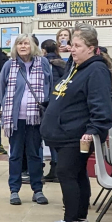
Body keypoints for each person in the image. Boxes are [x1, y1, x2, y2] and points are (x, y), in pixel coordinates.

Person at [41, 24, 112, 222]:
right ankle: (80, 217)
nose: (72, 49)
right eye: (71, 45)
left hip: (76, 134)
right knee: (77, 173)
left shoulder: (96, 70)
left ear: (91, 48)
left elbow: (101, 104)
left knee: (66, 173)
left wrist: (93, 130)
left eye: (77, 45)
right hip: (64, 132)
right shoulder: (75, 67)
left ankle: (70, 220)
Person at [0, 35, 53, 207]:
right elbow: (1, 90)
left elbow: (49, 86)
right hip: (15, 119)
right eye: (19, 43)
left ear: (32, 46)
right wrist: (8, 109)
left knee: (35, 154)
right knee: (15, 155)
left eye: (26, 43)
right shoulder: (9, 65)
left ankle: (38, 190)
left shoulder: (42, 63)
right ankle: (14, 190)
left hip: (35, 118)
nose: (23, 46)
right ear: (15, 46)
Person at [41, 39, 66, 182]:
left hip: (47, 104)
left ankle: (53, 169)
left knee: (49, 137)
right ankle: (57, 167)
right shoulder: (63, 64)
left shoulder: (43, 63)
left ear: (44, 50)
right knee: (58, 137)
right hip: (60, 103)